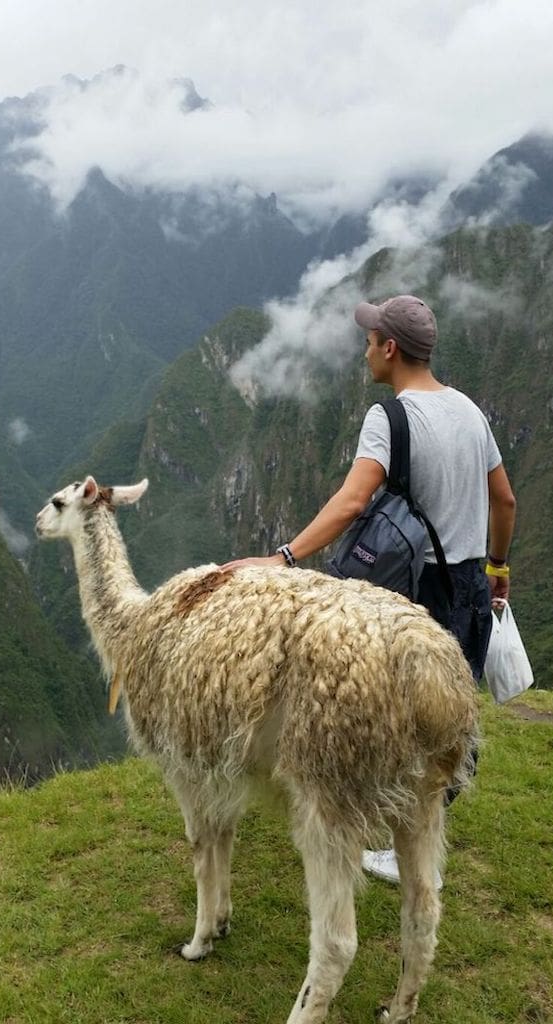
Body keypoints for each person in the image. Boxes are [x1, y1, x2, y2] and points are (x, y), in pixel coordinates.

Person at [221, 294, 517, 888]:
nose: (364, 349)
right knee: (449, 713)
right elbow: (505, 500)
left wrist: (285, 556)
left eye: (370, 339)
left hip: (418, 591)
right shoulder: (470, 411)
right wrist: (497, 568)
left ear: (390, 348)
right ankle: (423, 829)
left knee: (402, 719)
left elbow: (355, 500)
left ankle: (399, 845)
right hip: (469, 586)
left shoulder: (390, 417)